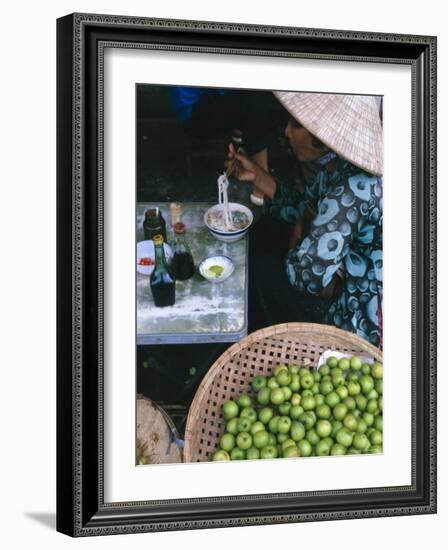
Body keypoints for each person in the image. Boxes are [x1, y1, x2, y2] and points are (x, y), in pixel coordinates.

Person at [228, 92, 383, 347]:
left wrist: (297, 237)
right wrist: (256, 175)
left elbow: (307, 278)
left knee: (261, 268)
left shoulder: (351, 188)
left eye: (296, 126)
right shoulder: (336, 167)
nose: (286, 133)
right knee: (266, 244)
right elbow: (302, 206)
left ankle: (279, 348)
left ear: (323, 136)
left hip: (358, 317)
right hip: (340, 279)